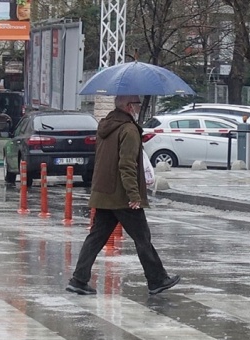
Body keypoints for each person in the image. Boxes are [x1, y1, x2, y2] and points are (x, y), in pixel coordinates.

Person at [66, 95, 180, 295]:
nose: (138, 107)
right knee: (142, 237)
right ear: (128, 106)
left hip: (104, 192)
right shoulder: (128, 129)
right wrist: (134, 195)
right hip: (121, 196)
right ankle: (157, 279)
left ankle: (78, 279)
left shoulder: (105, 125)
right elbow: (127, 165)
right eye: (136, 104)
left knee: (96, 237)